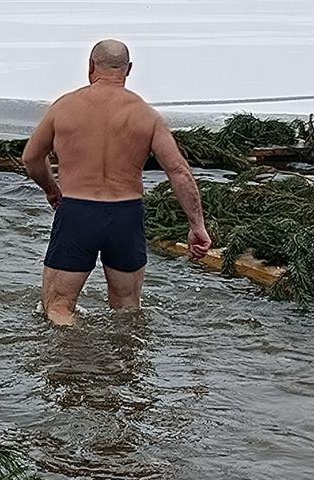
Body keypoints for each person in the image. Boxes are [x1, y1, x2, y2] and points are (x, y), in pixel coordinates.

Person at [21, 40, 212, 327]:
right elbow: (178, 171)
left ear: (90, 66)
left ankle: (68, 366)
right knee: (127, 310)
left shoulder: (64, 107)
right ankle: (124, 368)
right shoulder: (146, 115)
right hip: (126, 215)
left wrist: (51, 189)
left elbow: (31, 158)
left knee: (59, 307)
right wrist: (197, 226)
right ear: (129, 69)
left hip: (78, 213)